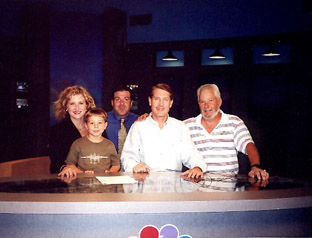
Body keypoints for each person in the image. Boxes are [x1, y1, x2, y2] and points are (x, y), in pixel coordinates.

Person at [184, 84, 269, 180]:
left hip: (228, 186)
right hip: (197, 186)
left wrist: (255, 167)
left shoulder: (234, 122)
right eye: (202, 102)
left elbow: (248, 145)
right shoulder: (187, 125)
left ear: (219, 102)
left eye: (210, 100)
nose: (206, 106)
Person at [121, 83, 207, 179]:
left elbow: (191, 153)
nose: (160, 104)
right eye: (157, 99)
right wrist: (134, 166)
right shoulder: (138, 127)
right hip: (146, 184)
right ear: (150, 101)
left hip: (174, 185)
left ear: (171, 103)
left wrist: (197, 167)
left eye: (165, 100)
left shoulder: (180, 127)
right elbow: (128, 156)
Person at [58, 107, 120, 177]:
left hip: (105, 184)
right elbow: (70, 165)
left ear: (105, 125)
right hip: (83, 183)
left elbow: (116, 165)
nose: (96, 126)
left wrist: (110, 172)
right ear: (86, 125)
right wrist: (82, 173)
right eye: (92, 123)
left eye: (99, 123)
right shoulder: (78, 144)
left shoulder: (110, 145)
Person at [49, 85, 96, 174]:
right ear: (66, 106)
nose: (77, 108)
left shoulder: (96, 126)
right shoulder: (57, 131)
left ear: (87, 106)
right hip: (70, 180)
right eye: (72, 103)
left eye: (81, 103)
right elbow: (56, 163)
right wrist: (64, 169)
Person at [106, 86, 139, 156]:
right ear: (112, 102)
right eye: (117, 99)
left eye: (126, 99)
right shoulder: (102, 120)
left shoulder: (139, 121)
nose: (122, 103)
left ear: (131, 103)